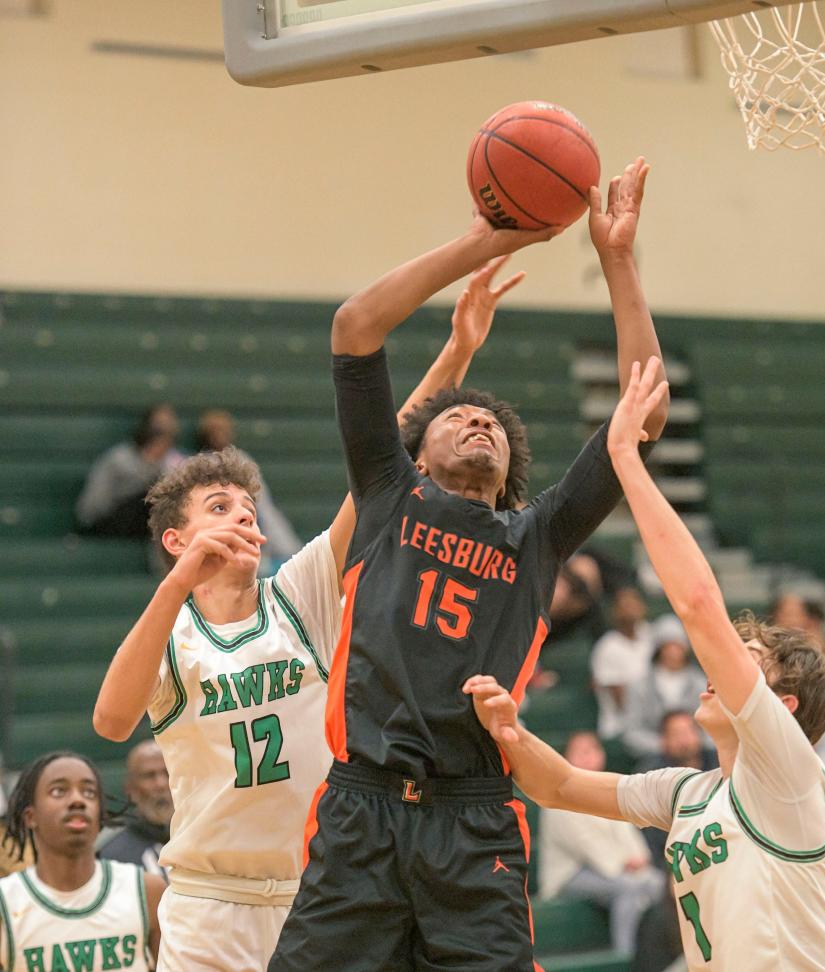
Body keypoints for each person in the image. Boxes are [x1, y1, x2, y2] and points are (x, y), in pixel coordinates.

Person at [270, 156, 669, 972]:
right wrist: (481, 240)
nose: (479, 422)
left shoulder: (538, 535)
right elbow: (355, 327)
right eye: (461, 416)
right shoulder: (389, 495)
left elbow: (644, 407)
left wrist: (617, 259)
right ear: (418, 447)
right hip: (363, 808)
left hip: (475, 817)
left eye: (492, 422)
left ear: (511, 465)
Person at [92, 263, 515, 972]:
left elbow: (385, 465)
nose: (242, 517)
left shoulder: (300, 591)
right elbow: (109, 722)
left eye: (247, 508)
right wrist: (177, 586)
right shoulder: (170, 636)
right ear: (175, 539)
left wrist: (456, 355)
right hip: (207, 904)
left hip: (318, 896)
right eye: (218, 508)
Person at [465, 357, 825, 971]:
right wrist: (508, 730)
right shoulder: (686, 792)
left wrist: (625, 461)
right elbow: (557, 785)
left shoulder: (791, 773)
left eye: (743, 664)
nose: (713, 674)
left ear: (784, 706)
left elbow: (698, 605)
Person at [0, 751, 163, 971]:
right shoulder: (6, 902)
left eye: (89, 792)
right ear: (31, 816)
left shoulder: (148, 891)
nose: (77, 800)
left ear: (100, 815)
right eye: (59, 791)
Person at [538, 732, 664, 955]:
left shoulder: (607, 786)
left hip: (613, 870)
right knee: (629, 887)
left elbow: (625, 826)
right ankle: (625, 955)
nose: (588, 757)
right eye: (581, 752)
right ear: (566, 758)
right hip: (571, 874)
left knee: (657, 882)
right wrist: (622, 865)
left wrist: (640, 857)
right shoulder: (557, 793)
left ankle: (656, 952)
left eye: (593, 750)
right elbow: (584, 843)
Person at [195, 409, 302, 570]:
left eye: (225, 429)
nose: (221, 434)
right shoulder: (199, 466)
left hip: (265, 539)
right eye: (215, 430)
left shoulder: (242, 460)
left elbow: (263, 507)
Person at [76, 404, 184, 538]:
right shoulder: (118, 459)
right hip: (110, 521)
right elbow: (92, 507)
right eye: (158, 429)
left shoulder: (174, 460)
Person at [622, 619, 707, 761]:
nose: (673, 651)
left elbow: (712, 728)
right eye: (667, 646)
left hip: (697, 756)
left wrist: (692, 742)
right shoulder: (639, 686)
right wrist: (664, 744)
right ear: (658, 649)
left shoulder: (700, 683)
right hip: (654, 758)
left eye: (677, 645)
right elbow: (631, 732)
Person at [99, 741, 173, 880]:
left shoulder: (207, 840)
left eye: (168, 773)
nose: (161, 784)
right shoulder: (112, 856)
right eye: (149, 776)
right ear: (130, 789)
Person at [591, 586, 654, 739]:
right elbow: (619, 698)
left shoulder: (651, 635)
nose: (630, 609)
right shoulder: (607, 646)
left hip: (653, 723)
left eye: (633, 603)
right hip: (620, 727)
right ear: (614, 611)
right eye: (624, 605)